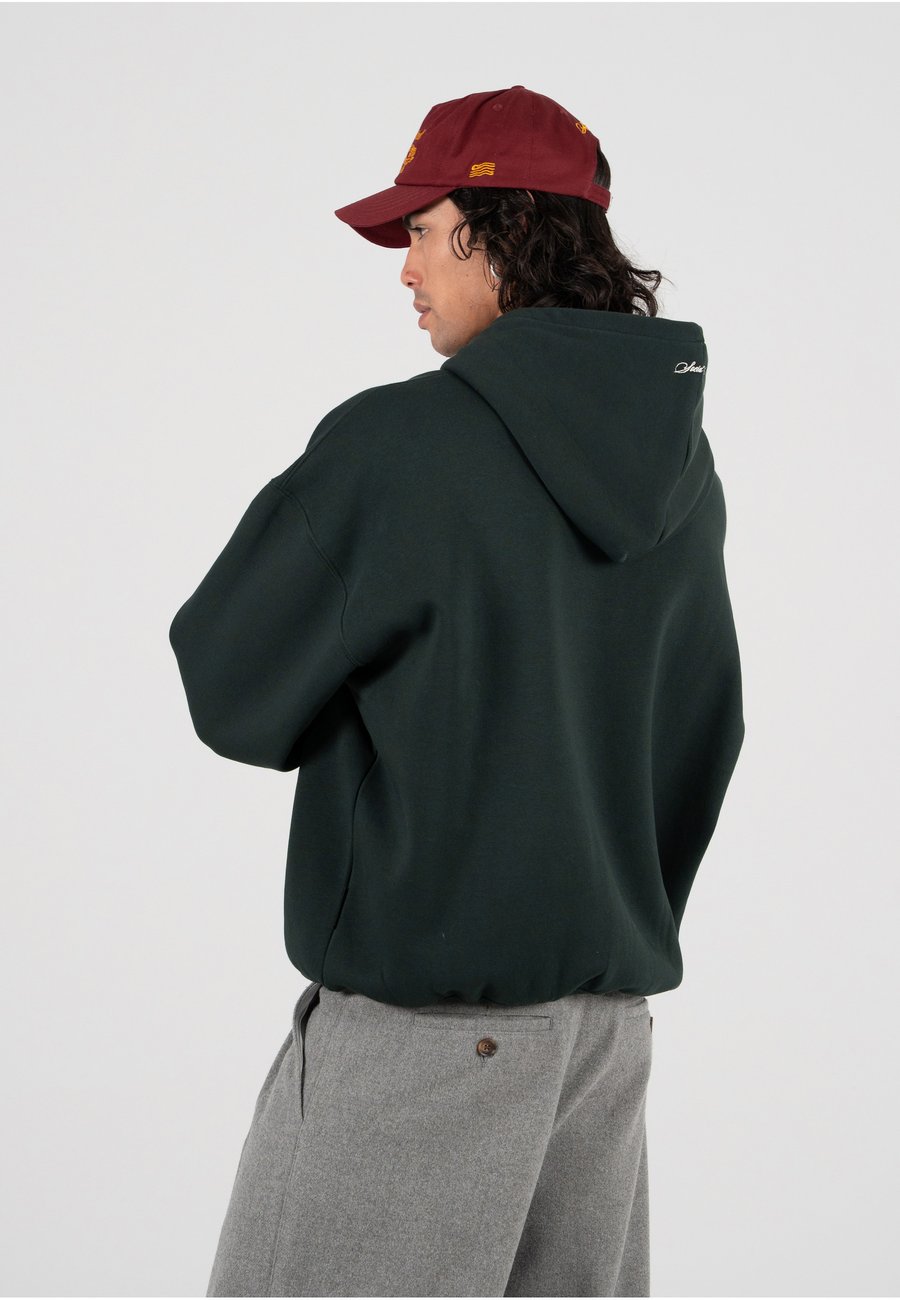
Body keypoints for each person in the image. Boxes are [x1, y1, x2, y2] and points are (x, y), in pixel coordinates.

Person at [169, 84, 745, 1298]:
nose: (405, 268)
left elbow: (231, 687)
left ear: (502, 230)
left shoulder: (398, 446)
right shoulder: (685, 473)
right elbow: (705, 732)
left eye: (423, 231)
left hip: (425, 1044)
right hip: (603, 1040)